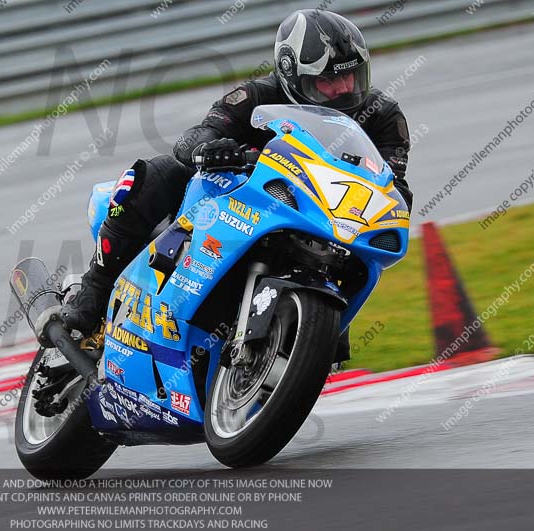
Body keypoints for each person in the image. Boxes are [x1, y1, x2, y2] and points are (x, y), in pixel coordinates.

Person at [62, 9, 413, 361]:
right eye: (327, 81)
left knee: (352, 281)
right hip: (242, 205)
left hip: (324, 220)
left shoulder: (382, 116)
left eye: (350, 76)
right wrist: (211, 149)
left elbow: (395, 188)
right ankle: (94, 289)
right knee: (160, 172)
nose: (343, 88)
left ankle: (308, 328)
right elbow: (194, 137)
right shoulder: (256, 95)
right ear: (293, 75)